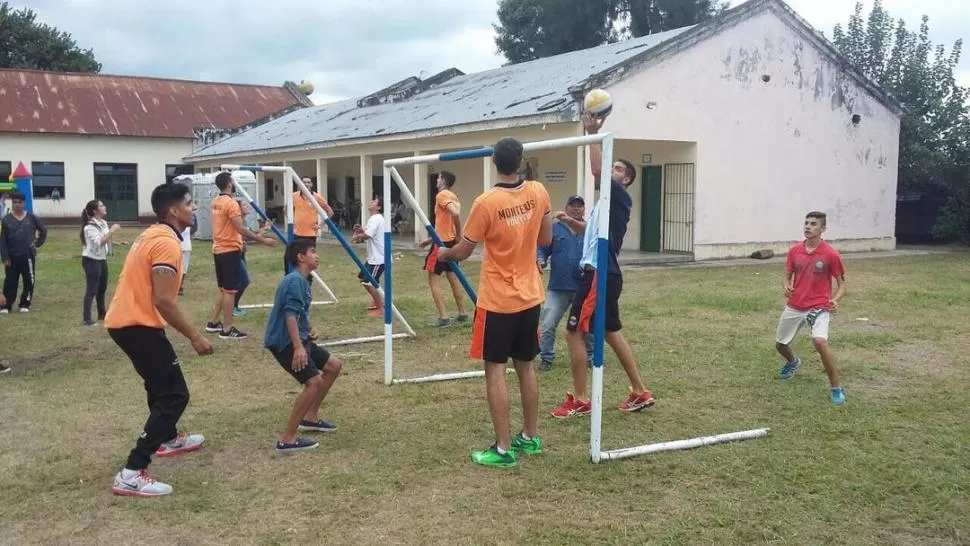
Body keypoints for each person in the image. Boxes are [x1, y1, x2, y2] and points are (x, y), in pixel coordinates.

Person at [437, 137, 552, 468]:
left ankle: (503, 449)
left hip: (498, 301)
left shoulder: (486, 202)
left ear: (493, 162)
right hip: (530, 295)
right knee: (526, 365)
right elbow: (545, 238)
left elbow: (462, 250)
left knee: (495, 370)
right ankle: (529, 436)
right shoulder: (538, 192)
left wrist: (443, 252)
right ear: (521, 162)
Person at [105, 182, 214, 498]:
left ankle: (168, 437)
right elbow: (164, 300)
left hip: (128, 322)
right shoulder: (166, 242)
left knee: (158, 384)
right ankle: (131, 472)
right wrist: (195, 336)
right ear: (173, 210)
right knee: (175, 394)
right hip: (135, 324)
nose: (194, 208)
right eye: (190, 203)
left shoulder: (153, 234)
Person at [551, 112, 655, 418]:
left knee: (573, 333)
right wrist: (573, 222)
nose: (613, 169)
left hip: (597, 273)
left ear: (626, 181)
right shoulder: (605, 205)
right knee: (610, 331)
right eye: (614, 166)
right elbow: (595, 234)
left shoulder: (619, 196)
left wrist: (593, 130)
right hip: (604, 272)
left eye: (619, 168)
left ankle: (581, 398)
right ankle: (640, 391)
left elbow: (597, 172)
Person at [264, 239, 343, 453]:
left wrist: (309, 328)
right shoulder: (295, 281)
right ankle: (287, 439)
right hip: (285, 342)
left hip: (299, 337)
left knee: (333, 366)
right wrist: (298, 347)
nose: (317, 256)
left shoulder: (303, 281)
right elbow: (289, 314)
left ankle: (311, 417)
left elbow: (299, 313)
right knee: (314, 382)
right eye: (313, 252)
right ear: (300, 257)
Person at [775, 211, 847, 405]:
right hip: (795, 305)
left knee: (819, 342)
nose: (808, 227)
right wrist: (786, 284)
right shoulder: (795, 251)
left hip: (819, 306)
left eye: (813, 224)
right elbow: (787, 275)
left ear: (823, 229)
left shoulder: (830, 254)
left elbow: (842, 284)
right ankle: (793, 362)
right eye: (806, 223)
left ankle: (836, 388)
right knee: (780, 345)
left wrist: (835, 299)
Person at [205, 171, 277, 340]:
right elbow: (240, 228)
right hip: (229, 250)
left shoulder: (216, 201)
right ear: (229, 184)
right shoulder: (230, 203)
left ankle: (214, 323)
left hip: (218, 249)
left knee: (222, 289)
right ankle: (227, 329)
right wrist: (263, 240)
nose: (235, 183)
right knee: (230, 290)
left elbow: (230, 225)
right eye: (233, 181)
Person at [537, 195, 593, 371]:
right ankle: (546, 357)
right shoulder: (555, 229)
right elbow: (543, 248)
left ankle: (591, 357)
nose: (576, 209)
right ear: (566, 207)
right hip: (558, 287)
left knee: (588, 325)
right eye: (572, 205)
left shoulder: (589, 229)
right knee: (547, 324)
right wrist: (540, 259)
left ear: (584, 209)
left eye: (580, 206)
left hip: (583, 287)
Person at [419, 170, 469, 327]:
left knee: (433, 278)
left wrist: (459, 233)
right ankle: (462, 313)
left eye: (439, 178)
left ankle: (444, 317)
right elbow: (444, 222)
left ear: (444, 181)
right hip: (448, 242)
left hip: (442, 244)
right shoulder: (453, 196)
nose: (437, 180)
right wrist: (429, 240)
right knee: (453, 276)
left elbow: (454, 214)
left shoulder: (441, 195)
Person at [0, 191, 47, 313]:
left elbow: (43, 231)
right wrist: (4, 257)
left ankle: (25, 303)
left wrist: (36, 244)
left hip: (28, 256)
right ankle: (6, 305)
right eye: (14, 202)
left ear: (24, 203)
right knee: (10, 281)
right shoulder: (6, 220)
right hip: (11, 257)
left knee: (29, 280)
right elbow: (3, 240)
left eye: (19, 202)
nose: (17, 204)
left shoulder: (31, 218)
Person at [80, 200, 121, 325]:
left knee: (102, 288)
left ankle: (102, 314)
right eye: (102, 206)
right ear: (95, 211)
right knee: (92, 289)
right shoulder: (90, 227)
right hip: (91, 260)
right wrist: (112, 230)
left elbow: (105, 240)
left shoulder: (103, 223)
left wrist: (114, 243)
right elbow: (99, 242)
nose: (105, 207)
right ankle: (87, 319)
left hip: (101, 259)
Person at [286, 177, 333, 273]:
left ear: (311, 185)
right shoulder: (294, 196)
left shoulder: (316, 197)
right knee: (292, 257)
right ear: (299, 184)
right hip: (297, 233)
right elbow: (286, 209)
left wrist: (320, 225)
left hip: (310, 235)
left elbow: (330, 212)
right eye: (304, 182)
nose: (306, 184)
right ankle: (290, 277)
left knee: (309, 261)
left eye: (308, 182)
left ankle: (308, 281)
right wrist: (291, 221)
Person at [350, 197, 385, 316]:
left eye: (374, 201)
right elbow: (368, 232)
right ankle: (377, 301)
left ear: (379, 207)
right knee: (363, 277)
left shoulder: (376, 218)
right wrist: (360, 229)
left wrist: (356, 237)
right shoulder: (374, 219)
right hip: (373, 258)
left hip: (379, 258)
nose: (371, 202)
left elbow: (368, 235)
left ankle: (381, 309)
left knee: (369, 282)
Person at [178, 212, 197, 296]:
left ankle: (180, 287)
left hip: (185, 245)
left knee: (184, 268)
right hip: (177, 245)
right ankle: (177, 286)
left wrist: (189, 233)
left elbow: (195, 226)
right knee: (178, 268)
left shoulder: (191, 216)